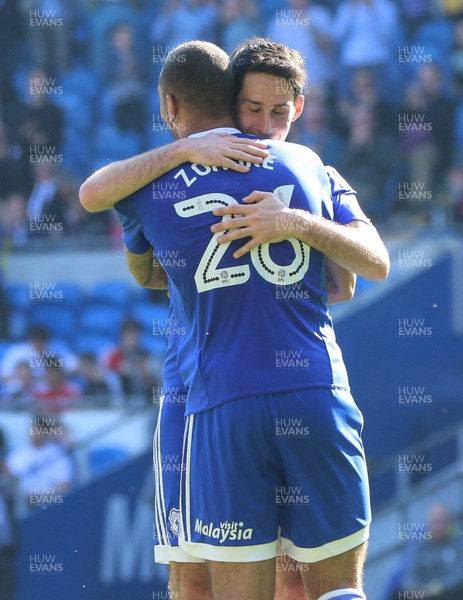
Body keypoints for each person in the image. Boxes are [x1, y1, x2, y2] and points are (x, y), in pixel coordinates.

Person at [80, 38, 390, 600]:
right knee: (323, 585)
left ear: (169, 105)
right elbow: (347, 280)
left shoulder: (150, 185)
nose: (267, 126)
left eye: (279, 112)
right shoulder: (310, 166)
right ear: (231, 101)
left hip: (211, 400)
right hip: (307, 387)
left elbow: (135, 256)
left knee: (205, 581)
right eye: (255, 110)